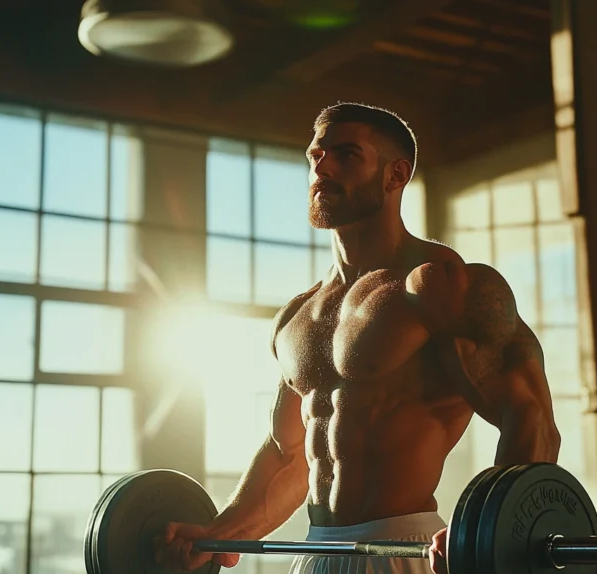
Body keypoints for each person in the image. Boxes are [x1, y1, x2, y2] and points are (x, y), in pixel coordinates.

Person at [155, 102, 561, 574]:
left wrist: (485, 527)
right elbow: (289, 455)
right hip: (316, 552)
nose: (322, 167)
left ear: (396, 175)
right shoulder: (298, 315)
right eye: (316, 156)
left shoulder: (442, 287)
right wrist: (220, 532)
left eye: (346, 154)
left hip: (404, 551)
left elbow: (530, 416)